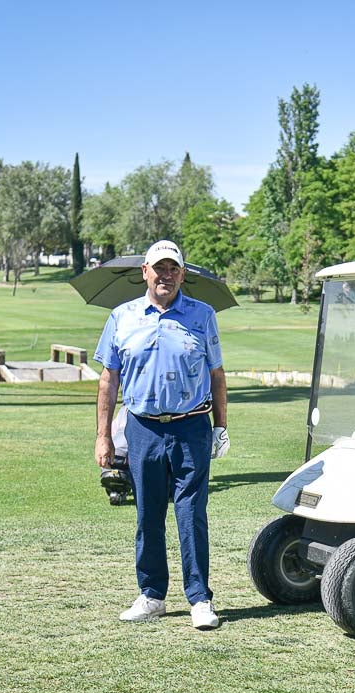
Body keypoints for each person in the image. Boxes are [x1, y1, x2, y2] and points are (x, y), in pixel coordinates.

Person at [94, 240, 230, 630]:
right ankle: (152, 595)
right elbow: (108, 380)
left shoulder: (203, 315)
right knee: (147, 514)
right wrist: (104, 436)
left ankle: (200, 599)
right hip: (142, 428)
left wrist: (221, 426)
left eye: (173, 269)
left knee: (191, 514)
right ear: (145, 272)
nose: (165, 275)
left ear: (182, 274)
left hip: (191, 427)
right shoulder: (122, 317)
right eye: (159, 268)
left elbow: (217, 374)